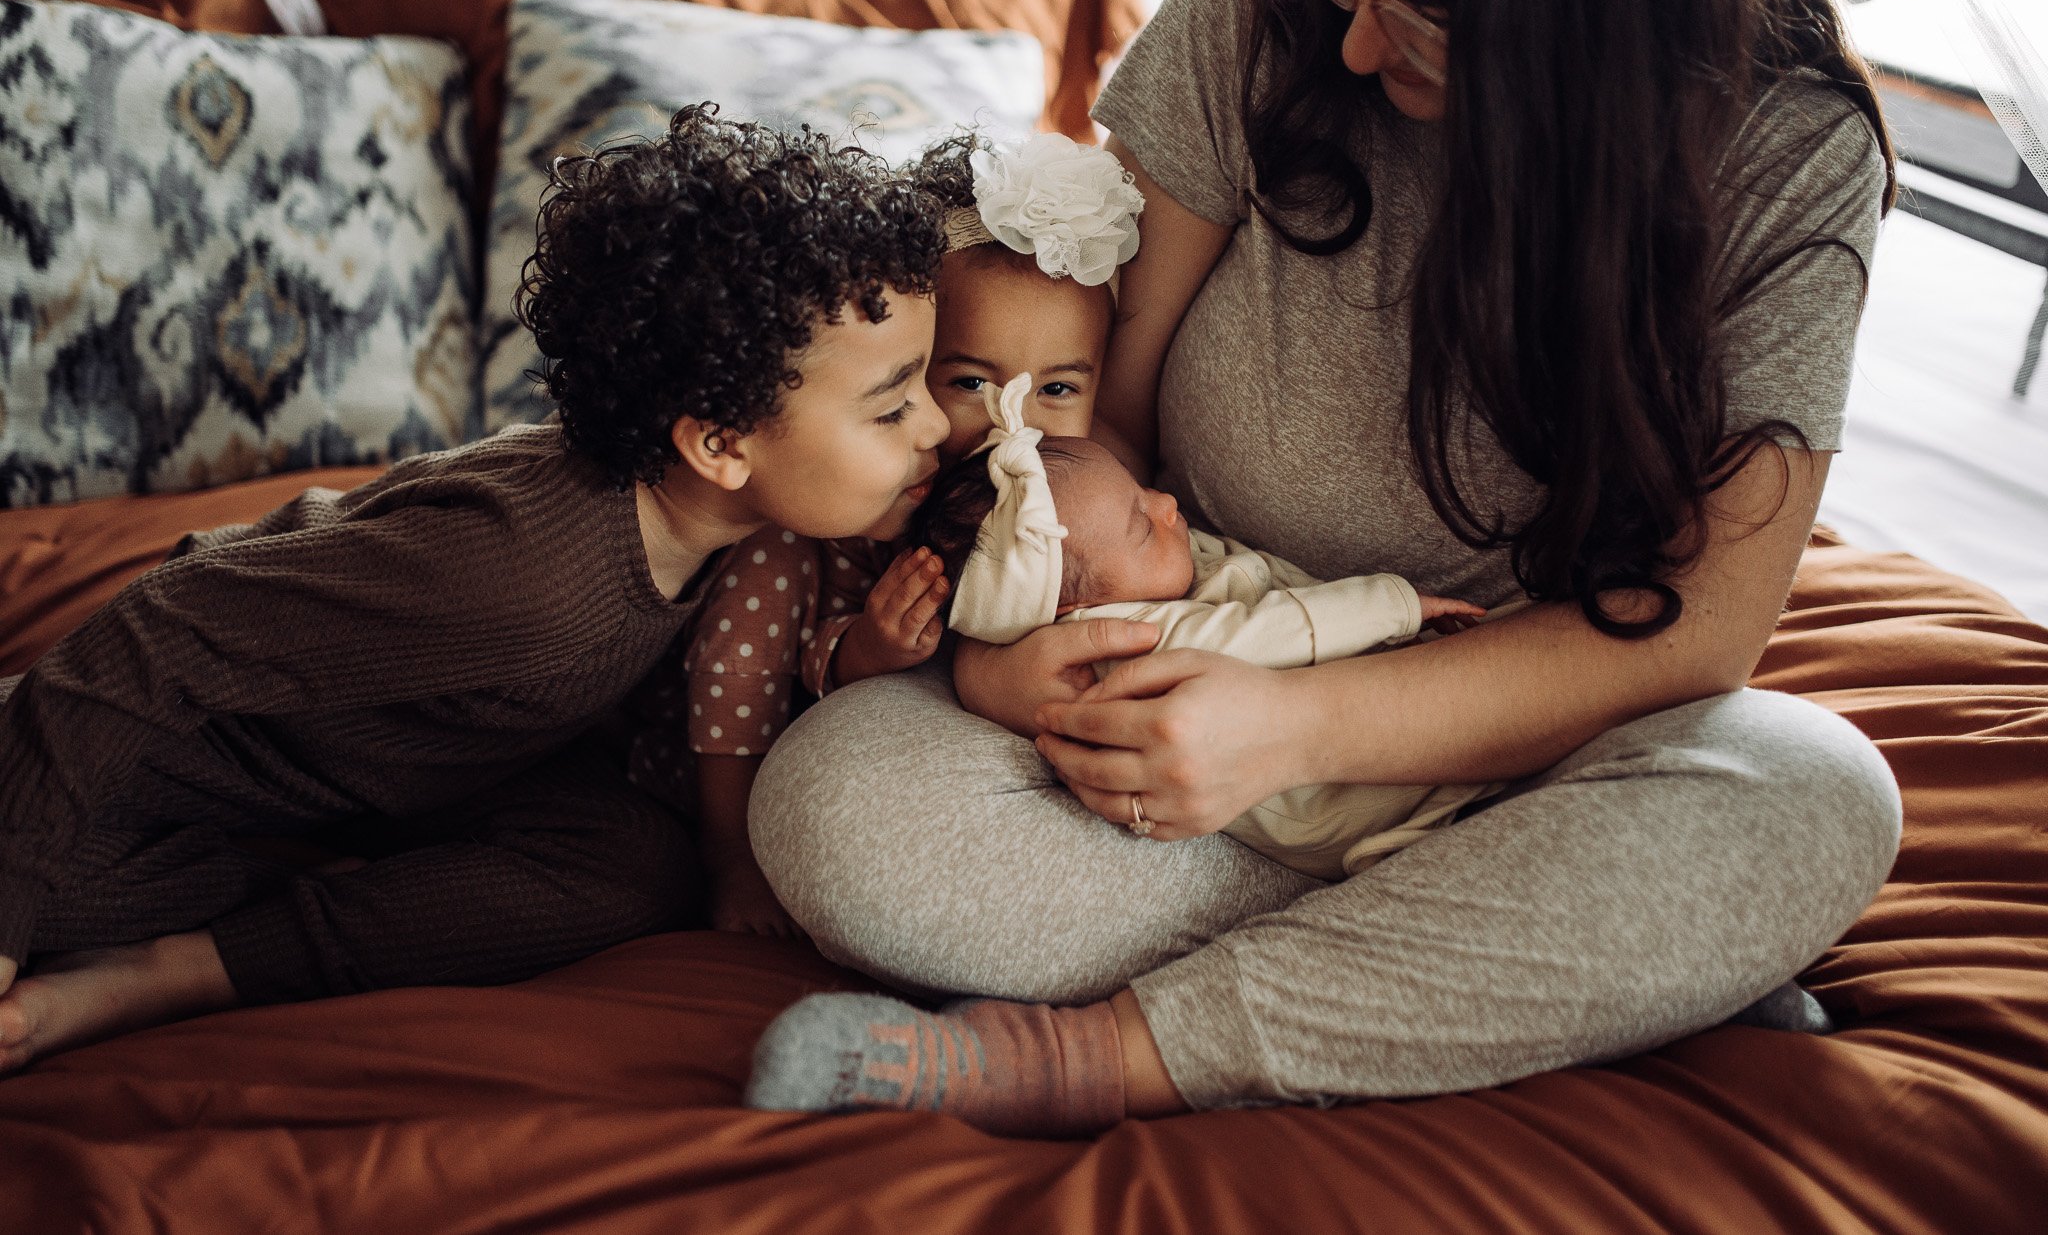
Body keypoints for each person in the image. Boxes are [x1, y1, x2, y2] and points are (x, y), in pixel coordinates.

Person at [742, 0, 1905, 1139]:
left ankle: (1090, 1057)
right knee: (830, 805)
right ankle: (1549, 963)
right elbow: (1097, 427)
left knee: (1812, 793)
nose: (1354, 39)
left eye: (1421, 14)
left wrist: (1294, 726)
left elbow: (1697, 631)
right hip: (1167, 718)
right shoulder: (1262, 1)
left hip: (1502, 760)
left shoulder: (1786, 155)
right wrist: (1012, 670)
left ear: (1582, 14)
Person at [0, 104, 949, 1070]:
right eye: (892, 405)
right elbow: (154, 634)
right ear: (718, 442)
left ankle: (182, 967)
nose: (935, 428)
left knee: (634, 867)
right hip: (132, 781)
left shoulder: (715, 528)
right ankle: (152, 961)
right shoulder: (521, 575)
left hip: (400, 780)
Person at [631, 130, 1145, 936]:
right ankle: (727, 852)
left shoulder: (1085, 492)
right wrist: (870, 646)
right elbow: (790, 659)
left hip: (946, 748)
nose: (1011, 420)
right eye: (970, 380)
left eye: (1057, 388)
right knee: (760, 579)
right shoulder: (868, 501)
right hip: (759, 723)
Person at [916, 376, 1493, 880]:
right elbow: (1270, 630)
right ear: (1074, 611)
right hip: (1342, 798)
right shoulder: (1134, 643)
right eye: (1142, 525)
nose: (1166, 503)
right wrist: (1394, 606)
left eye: (1140, 490)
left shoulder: (1148, 575)